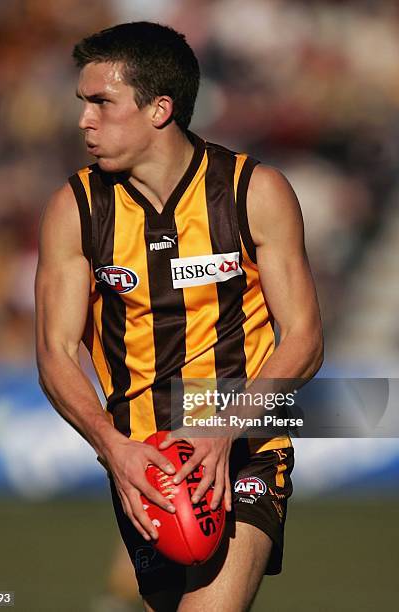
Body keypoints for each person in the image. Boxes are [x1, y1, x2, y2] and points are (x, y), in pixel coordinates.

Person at [35, 21, 323, 612]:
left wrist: (222, 429)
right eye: (82, 103)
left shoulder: (254, 191)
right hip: (141, 458)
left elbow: (305, 340)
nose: (84, 119)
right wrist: (113, 449)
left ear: (159, 109)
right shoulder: (75, 209)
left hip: (244, 443)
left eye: (101, 102)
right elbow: (56, 352)